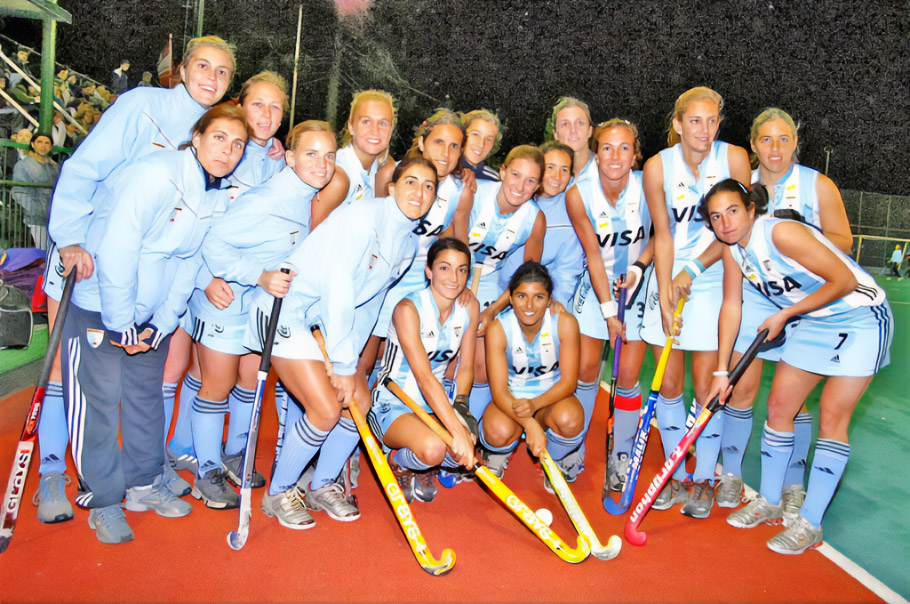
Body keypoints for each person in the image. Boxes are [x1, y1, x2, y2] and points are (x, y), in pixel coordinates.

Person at [39, 35, 238, 519]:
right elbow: (84, 169)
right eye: (203, 66)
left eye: (222, 72)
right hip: (87, 256)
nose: (211, 78)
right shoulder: (142, 105)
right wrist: (70, 237)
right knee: (69, 375)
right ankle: (51, 473)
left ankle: (142, 472)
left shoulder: (219, 135)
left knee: (140, 383)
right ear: (182, 69)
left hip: (145, 279)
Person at [699, 179, 892, 554]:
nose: (725, 222)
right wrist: (722, 372)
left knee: (832, 416)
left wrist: (787, 313)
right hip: (815, 321)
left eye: (733, 211)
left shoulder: (780, 233)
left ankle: (810, 522)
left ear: (751, 209)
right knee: (779, 407)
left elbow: (844, 280)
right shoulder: (733, 251)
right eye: (716, 216)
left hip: (860, 318)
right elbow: (732, 306)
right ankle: (770, 501)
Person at [248, 157, 436, 529]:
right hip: (285, 311)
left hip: (321, 323)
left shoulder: (408, 242)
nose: (419, 192)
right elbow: (339, 291)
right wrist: (343, 365)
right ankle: (278, 493)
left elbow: (369, 304)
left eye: (428, 186)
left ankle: (321, 485)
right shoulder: (362, 219)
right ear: (393, 187)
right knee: (325, 409)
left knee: (359, 402)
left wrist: (350, 364)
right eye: (411, 182)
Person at [179, 120, 338, 509]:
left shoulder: (305, 196)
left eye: (330, 155)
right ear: (291, 157)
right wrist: (259, 275)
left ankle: (234, 454)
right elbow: (213, 244)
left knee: (249, 384)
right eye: (311, 154)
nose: (322, 164)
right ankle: (207, 471)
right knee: (216, 387)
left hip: (257, 305)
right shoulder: (268, 198)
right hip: (226, 299)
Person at [711, 108, 854, 513]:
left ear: (795, 143)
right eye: (766, 140)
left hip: (802, 300)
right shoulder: (742, 187)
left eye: (784, 139)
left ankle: (793, 482)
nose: (775, 148)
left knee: (795, 399)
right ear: (754, 145)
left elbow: (844, 240)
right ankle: (731, 475)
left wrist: (797, 238)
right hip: (758, 296)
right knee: (740, 388)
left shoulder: (817, 184)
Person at [639, 86, 750, 517]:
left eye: (712, 121)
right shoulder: (657, 166)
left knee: (706, 387)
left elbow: (736, 226)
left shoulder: (734, 158)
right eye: (695, 121)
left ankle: (702, 478)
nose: (704, 130)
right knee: (668, 383)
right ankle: (673, 470)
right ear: (678, 124)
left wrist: (693, 271)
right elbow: (663, 234)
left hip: (714, 274)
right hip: (668, 275)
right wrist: (665, 290)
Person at [566, 119, 653, 490]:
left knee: (628, 376)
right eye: (607, 148)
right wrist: (607, 312)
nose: (615, 156)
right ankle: (572, 448)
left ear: (635, 155)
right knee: (587, 370)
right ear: (596, 153)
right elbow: (593, 255)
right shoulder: (578, 193)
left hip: (638, 285)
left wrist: (639, 267)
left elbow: (661, 235)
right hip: (597, 287)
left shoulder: (649, 186)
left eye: (624, 148)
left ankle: (621, 456)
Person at [369, 238, 480, 502]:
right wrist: (455, 430)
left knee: (468, 444)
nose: (453, 278)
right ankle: (398, 460)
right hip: (394, 400)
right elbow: (424, 378)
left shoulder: (469, 307)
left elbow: (465, 367)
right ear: (428, 270)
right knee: (435, 448)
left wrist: (461, 407)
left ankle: (425, 460)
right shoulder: (408, 309)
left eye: (461, 270)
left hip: (435, 403)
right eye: (444, 268)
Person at [465, 145, 547, 463]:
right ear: (502, 172)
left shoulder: (534, 218)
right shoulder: (474, 194)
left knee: (481, 366)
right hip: (449, 276)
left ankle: (469, 437)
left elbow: (526, 278)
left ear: (537, 186)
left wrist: (492, 310)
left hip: (487, 284)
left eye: (531, 181)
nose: (520, 185)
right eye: (515, 175)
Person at [481, 261, 584, 489]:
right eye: (521, 296)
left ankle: (555, 459)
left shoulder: (565, 323)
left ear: (549, 299)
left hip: (552, 399)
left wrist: (534, 405)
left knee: (570, 419)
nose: (529, 305)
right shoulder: (498, 329)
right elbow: (499, 392)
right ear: (510, 297)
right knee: (496, 431)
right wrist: (529, 423)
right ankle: (498, 453)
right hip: (512, 400)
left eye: (538, 297)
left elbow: (569, 382)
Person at [333, 89, 397, 205]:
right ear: (351, 126)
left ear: (391, 129)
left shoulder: (377, 167)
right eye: (366, 121)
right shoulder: (338, 172)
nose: (375, 131)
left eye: (383, 123)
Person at [11, 132, 58, 250]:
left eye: (47, 143)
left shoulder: (54, 166)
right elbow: (18, 191)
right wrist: (35, 209)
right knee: (41, 251)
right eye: (39, 142)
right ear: (32, 144)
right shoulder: (23, 165)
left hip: (53, 216)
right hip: (35, 218)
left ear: (51, 146)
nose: (43, 146)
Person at [548, 96, 595, 180]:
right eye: (565, 124)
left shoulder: (604, 170)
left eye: (580, 123)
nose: (573, 130)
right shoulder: (547, 176)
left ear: (590, 130)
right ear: (555, 134)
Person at [460, 109, 502, 181]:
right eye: (476, 134)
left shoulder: (493, 180)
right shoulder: (445, 171)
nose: (481, 144)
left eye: (488, 139)